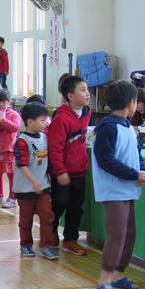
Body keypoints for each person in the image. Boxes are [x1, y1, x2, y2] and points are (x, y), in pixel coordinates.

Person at [91, 81, 145, 289]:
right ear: (131, 102)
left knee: (129, 234)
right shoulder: (108, 128)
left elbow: (136, 154)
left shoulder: (127, 126)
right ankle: (104, 279)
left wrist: (143, 170)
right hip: (113, 190)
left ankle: (116, 274)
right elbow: (105, 160)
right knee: (117, 234)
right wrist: (134, 174)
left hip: (127, 189)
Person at [47, 75, 91, 256]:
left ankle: (70, 240)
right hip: (63, 173)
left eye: (87, 89)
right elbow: (54, 148)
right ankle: (49, 234)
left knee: (76, 208)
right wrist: (60, 171)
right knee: (59, 205)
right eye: (83, 90)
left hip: (79, 171)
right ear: (70, 96)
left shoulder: (87, 112)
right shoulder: (61, 119)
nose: (87, 93)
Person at [13, 103, 59, 259]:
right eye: (43, 120)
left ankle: (45, 245)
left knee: (47, 216)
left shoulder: (44, 138)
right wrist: (33, 181)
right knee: (26, 220)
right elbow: (22, 165)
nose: (46, 123)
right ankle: (25, 245)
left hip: (43, 187)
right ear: (30, 122)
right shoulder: (22, 141)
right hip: (25, 189)